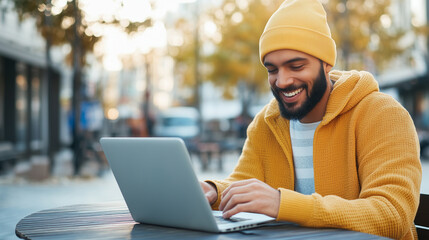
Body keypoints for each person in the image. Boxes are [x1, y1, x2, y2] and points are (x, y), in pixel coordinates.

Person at [200, 0, 422, 239]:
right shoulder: (266, 123)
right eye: (272, 70)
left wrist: (282, 204)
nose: (282, 81)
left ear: (326, 63)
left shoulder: (382, 114)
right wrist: (214, 191)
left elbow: (393, 214)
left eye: (296, 66)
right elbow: (244, 184)